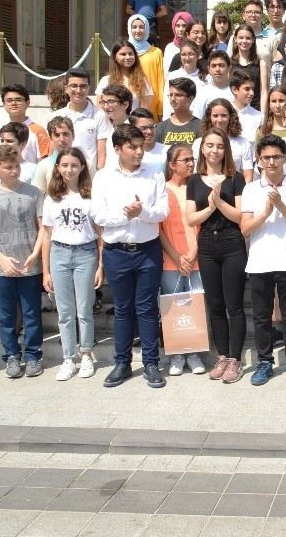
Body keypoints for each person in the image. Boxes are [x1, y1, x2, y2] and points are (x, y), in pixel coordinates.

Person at [92, 124, 169, 389]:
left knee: (147, 308)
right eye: (132, 147)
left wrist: (142, 212)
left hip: (148, 250)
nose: (139, 152)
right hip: (117, 252)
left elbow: (162, 212)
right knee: (123, 309)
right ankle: (122, 363)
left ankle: (151, 363)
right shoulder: (103, 177)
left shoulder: (154, 174)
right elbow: (99, 216)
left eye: (141, 146)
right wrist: (125, 214)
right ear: (117, 149)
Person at [241, 134, 286, 386]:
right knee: (261, 316)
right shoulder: (250, 189)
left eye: (276, 157)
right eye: (266, 158)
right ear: (259, 161)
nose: (271, 162)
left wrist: (281, 206)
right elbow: (245, 228)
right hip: (260, 261)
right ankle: (264, 361)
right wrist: (265, 213)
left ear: (284, 158)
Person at [0, 144, 45, 379]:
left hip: (29, 265)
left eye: (16, 166)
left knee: (32, 312)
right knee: (5, 315)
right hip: (0, 267)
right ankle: (12, 356)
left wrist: (35, 254)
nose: (14, 171)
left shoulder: (34, 193)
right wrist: (1, 258)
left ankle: (34, 355)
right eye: (8, 167)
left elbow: (43, 227)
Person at [185, 128, 247, 383]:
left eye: (220, 146)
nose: (214, 150)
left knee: (234, 304)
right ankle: (222, 355)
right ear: (202, 148)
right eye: (210, 145)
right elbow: (190, 219)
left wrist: (220, 202)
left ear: (226, 150)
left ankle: (235, 359)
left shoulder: (236, 178)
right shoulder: (194, 180)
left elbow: (241, 216)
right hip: (207, 245)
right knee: (216, 305)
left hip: (233, 242)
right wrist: (211, 207)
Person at [41, 148, 101, 381]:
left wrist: (100, 265)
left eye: (74, 165)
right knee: (65, 311)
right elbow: (46, 236)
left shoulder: (90, 196)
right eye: (64, 165)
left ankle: (86, 354)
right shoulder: (51, 199)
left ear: (82, 167)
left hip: (85, 253)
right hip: (60, 254)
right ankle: (69, 358)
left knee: (84, 308)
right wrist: (46, 271)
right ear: (58, 168)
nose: (69, 169)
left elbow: (99, 234)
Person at [157, 143, 203, 376]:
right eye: (185, 160)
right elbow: (160, 229)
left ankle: (194, 353)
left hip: (196, 258)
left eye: (192, 159)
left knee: (195, 305)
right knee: (173, 306)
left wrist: (192, 254)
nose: (190, 163)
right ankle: (176, 354)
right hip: (170, 259)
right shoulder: (162, 190)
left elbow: (202, 226)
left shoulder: (196, 187)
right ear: (172, 165)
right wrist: (177, 256)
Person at [58, 68, 109, 172]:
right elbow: (54, 149)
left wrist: (99, 175)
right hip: (63, 173)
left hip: (88, 175)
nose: (78, 90)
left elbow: (102, 153)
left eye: (83, 86)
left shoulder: (100, 116)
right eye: (74, 86)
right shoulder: (57, 116)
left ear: (89, 88)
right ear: (66, 88)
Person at [98, 40, 155, 114]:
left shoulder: (142, 81)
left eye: (130, 54)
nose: (128, 57)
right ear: (115, 57)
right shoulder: (105, 81)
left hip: (133, 124)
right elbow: (100, 109)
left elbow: (144, 112)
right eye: (123, 54)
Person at [126, 14, 165, 119]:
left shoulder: (156, 52)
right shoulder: (125, 52)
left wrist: (161, 107)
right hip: (128, 102)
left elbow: (161, 81)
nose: (138, 30)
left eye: (141, 27)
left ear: (147, 28)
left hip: (151, 104)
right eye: (134, 27)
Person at [1, 84, 49, 164]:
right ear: (4, 104)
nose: (14, 103)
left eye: (18, 100)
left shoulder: (38, 131)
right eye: (9, 100)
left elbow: (44, 162)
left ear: (27, 103)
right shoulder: (0, 130)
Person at [156, 77, 202, 147]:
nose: (172, 99)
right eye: (171, 95)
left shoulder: (201, 126)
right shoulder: (160, 128)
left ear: (190, 99)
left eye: (178, 95)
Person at [130, 108, 169, 174]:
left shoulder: (167, 150)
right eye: (143, 128)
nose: (149, 131)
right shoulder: (127, 152)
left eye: (151, 127)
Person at [230, 69, 264, 143]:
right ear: (235, 90)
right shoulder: (224, 113)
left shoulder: (259, 116)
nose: (251, 93)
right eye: (247, 89)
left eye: (252, 89)